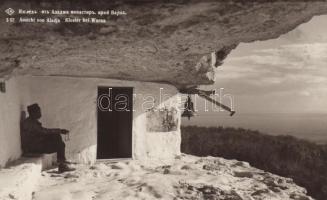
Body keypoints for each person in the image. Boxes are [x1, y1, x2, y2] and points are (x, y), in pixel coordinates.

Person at [21, 103, 75, 173]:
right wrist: (59, 131)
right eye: (38, 111)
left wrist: (58, 131)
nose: (40, 113)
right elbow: (43, 131)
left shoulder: (32, 121)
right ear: (33, 113)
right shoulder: (29, 123)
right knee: (60, 144)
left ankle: (62, 163)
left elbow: (42, 131)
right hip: (32, 148)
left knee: (57, 138)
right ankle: (62, 164)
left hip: (36, 145)